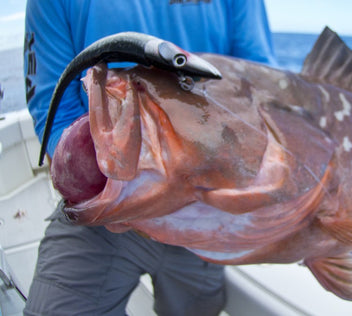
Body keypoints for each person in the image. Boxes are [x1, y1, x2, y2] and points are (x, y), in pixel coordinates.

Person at [23, 1, 277, 315]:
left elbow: (258, 81)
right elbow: (53, 105)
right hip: (106, 205)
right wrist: (108, 185)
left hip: (205, 207)